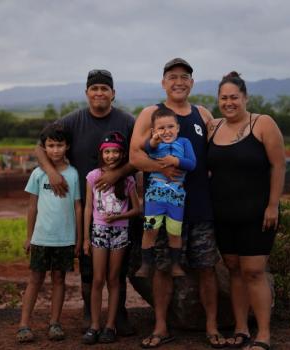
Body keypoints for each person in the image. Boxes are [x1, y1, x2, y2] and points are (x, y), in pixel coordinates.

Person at [130, 58, 226, 348]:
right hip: (163, 204)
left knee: (206, 266)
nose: (179, 81)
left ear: (192, 83)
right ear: (163, 83)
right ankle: (161, 326)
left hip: (199, 205)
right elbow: (135, 157)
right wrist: (161, 168)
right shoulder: (151, 113)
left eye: (185, 77)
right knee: (162, 268)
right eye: (173, 77)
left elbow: (217, 153)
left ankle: (212, 327)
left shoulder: (203, 114)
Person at [34, 69, 137, 335]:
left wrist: (117, 173)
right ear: (87, 93)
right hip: (85, 205)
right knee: (88, 262)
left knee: (118, 265)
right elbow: (39, 145)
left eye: (105, 88)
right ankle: (90, 314)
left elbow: (138, 156)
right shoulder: (73, 120)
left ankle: (118, 315)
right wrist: (52, 172)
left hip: (121, 207)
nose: (100, 93)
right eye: (95, 89)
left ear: (113, 93)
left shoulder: (127, 121)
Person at [207, 71, 285, 350]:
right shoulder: (212, 127)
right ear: (218, 100)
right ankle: (240, 329)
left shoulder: (262, 123)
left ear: (245, 98)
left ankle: (263, 334)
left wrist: (273, 205)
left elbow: (278, 165)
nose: (229, 102)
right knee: (233, 270)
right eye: (224, 97)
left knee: (253, 270)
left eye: (234, 97)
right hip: (223, 213)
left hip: (258, 212)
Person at [17, 122, 82, 343]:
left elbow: (78, 208)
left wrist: (78, 239)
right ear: (44, 148)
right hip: (41, 238)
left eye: (59, 145)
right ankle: (24, 325)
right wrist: (29, 236)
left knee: (59, 280)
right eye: (51, 145)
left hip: (64, 239)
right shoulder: (37, 174)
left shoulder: (73, 175)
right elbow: (32, 207)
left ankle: (55, 323)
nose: (55, 150)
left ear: (67, 146)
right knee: (34, 279)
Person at [81, 131, 141, 344]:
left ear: (122, 154)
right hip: (98, 231)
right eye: (107, 152)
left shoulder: (127, 180)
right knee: (98, 279)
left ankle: (110, 325)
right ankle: (95, 325)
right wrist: (86, 239)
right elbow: (88, 207)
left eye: (116, 152)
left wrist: (119, 216)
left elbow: (137, 209)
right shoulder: (93, 176)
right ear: (101, 154)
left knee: (114, 279)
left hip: (120, 231)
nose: (111, 156)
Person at [135, 106, 196, 278]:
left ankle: (176, 265)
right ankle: (146, 264)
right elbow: (149, 147)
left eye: (170, 127)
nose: (166, 131)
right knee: (150, 229)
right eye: (161, 128)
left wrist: (174, 160)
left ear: (177, 128)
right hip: (155, 196)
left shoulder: (184, 143)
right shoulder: (155, 144)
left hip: (176, 197)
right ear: (154, 131)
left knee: (174, 231)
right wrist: (154, 141)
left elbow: (192, 164)